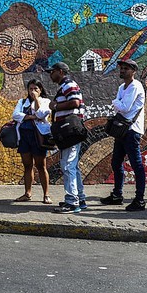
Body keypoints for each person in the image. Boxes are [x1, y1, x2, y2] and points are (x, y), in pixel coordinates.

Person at [0, 2, 51, 184]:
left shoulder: (40, 101)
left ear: (37, 51)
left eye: (27, 45)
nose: (14, 53)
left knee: (38, 166)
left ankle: (44, 193)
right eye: (4, 41)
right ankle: (28, 192)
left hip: (34, 147)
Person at [100, 58, 147, 212]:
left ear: (134, 71)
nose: (122, 70)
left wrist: (115, 101)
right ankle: (117, 195)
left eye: (126, 68)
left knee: (136, 164)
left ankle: (140, 199)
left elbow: (124, 107)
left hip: (132, 130)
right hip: (122, 129)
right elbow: (120, 108)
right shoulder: (122, 87)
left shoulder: (135, 86)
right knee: (116, 162)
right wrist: (118, 103)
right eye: (121, 68)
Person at [47, 62, 87, 213]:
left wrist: (55, 106)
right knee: (72, 166)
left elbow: (75, 102)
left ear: (60, 71)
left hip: (69, 131)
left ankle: (72, 202)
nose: (50, 74)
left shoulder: (69, 85)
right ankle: (79, 198)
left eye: (52, 71)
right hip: (67, 132)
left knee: (68, 165)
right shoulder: (65, 86)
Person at [12, 79, 52, 204]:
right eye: (30, 89)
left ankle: (46, 194)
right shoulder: (22, 102)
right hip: (24, 136)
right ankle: (27, 193)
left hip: (38, 136)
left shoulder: (45, 101)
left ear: (40, 90)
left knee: (41, 165)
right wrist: (30, 116)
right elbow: (16, 115)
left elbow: (41, 114)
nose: (32, 91)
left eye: (35, 89)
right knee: (27, 165)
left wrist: (36, 100)